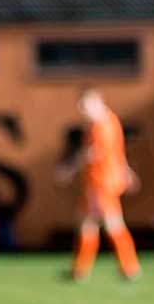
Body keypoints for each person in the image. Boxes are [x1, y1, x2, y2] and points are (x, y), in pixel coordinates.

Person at [58, 89, 142, 281]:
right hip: (102, 181)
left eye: (85, 106)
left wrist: (68, 169)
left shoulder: (101, 125)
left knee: (111, 224)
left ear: (97, 102)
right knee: (88, 225)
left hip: (101, 183)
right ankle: (80, 269)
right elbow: (117, 152)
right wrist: (126, 171)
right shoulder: (110, 122)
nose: (84, 111)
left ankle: (129, 267)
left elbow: (92, 154)